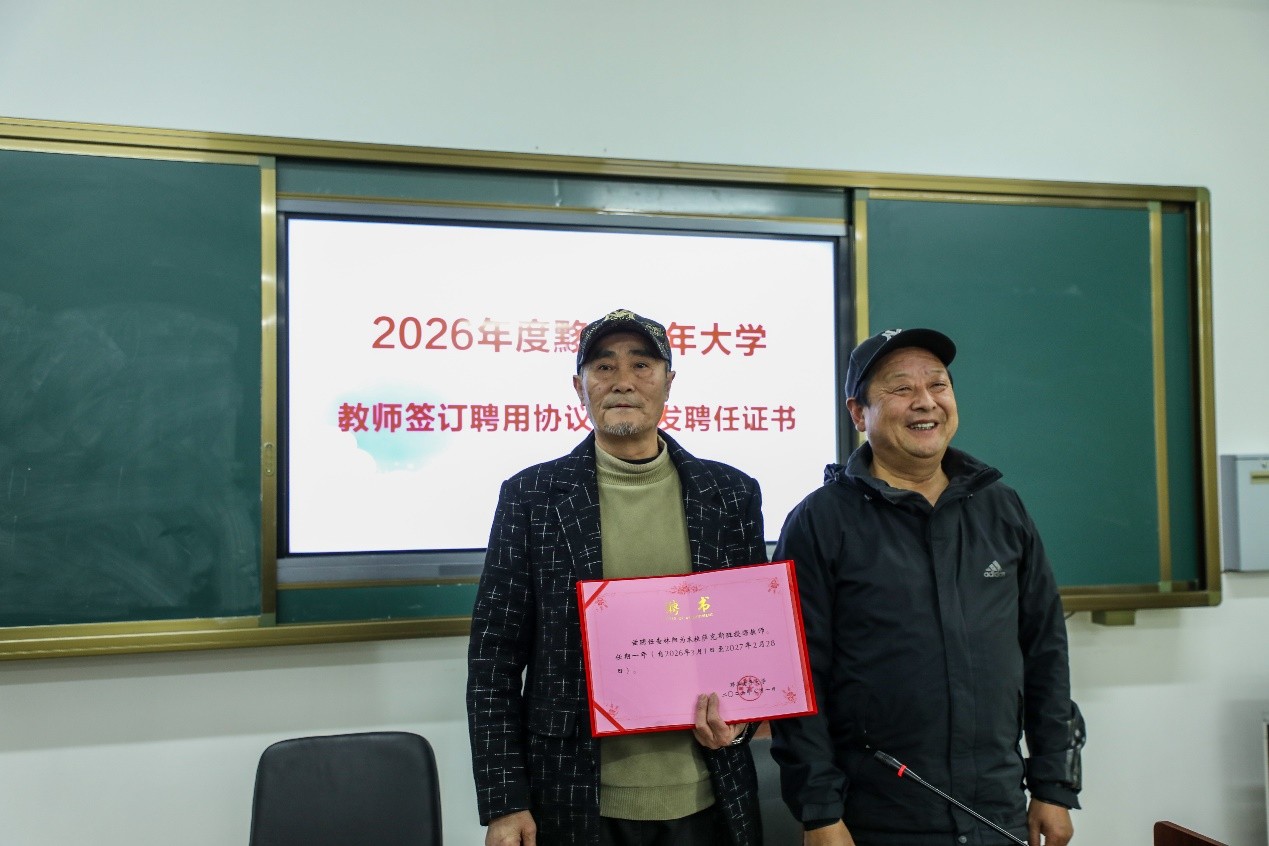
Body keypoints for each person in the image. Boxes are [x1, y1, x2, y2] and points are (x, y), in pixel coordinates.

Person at [770, 327, 1085, 846]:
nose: (925, 402)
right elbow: (797, 676)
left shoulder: (1002, 507)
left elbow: (1045, 650)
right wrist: (819, 812)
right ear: (858, 413)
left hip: (996, 810)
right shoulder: (821, 521)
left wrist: (1054, 785)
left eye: (938, 385)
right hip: (876, 817)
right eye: (901, 388)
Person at [467, 308, 768, 846]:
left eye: (641, 365)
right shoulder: (531, 498)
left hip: (708, 792)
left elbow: (751, 644)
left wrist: (743, 718)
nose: (623, 381)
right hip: (576, 796)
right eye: (604, 367)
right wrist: (505, 800)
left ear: (669, 382)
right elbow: (495, 659)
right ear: (578, 387)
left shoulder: (730, 495)